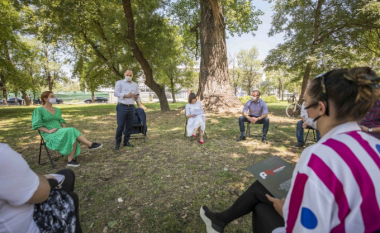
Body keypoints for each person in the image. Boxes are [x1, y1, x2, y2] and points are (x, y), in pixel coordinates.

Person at [200, 67, 380, 233]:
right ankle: (218, 222)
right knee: (261, 189)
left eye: (306, 105)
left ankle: (218, 222)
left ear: (320, 108)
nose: (304, 113)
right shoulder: (374, 146)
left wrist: (285, 210)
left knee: (261, 207)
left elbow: (305, 228)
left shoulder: (319, 155)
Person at [0, 143, 83, 233]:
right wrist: (44, 178)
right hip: (30, 224)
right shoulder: (3, 154)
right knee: (70, 194)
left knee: (67, 175)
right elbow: (42, 194)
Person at [32, 91, 103, 167]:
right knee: (71, 131)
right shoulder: (39, 110)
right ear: (45, 99)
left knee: (71, 133)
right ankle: (89, 144)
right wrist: (49, 131)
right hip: (50, 134)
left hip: (60, 131)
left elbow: (61, 121)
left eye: (54, 96)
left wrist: (64, 129)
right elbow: (37, 125)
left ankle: (71, 161)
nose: (54, 97)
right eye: (52, 96)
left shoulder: (57, 110)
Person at [114, 69, 140, 150]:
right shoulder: (119, 82)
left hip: (131, 107)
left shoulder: (135, 84)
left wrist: (136, 97)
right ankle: (118, 143)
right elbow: (116, 93)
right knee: (121, 125)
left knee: (129, 126)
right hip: (122, 106)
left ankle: (126, 141)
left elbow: (138, 95)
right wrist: (125, 95)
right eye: (127, 75)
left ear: (132, 76)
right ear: (124, 74)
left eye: (130, 75)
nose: (129, 76)